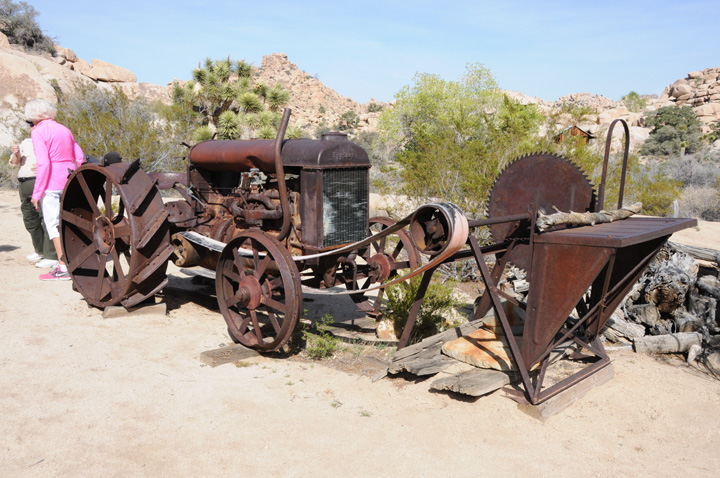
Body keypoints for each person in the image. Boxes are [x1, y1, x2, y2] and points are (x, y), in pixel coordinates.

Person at [25, 98, 85, 281]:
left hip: (51, 181)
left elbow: (43, 163)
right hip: (69, 177)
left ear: (33, 116)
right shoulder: (64, 129)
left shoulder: (38, 132)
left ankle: (63, 266)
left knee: (52, 224)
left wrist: (36, 194)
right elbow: (80, 156)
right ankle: (78, 259)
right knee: (70, 220)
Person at [8, 137, 59, 269]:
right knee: (30, 218)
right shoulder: (26, 142)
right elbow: (14, 162)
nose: (33, 126)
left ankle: (51, 255)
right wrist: (16, 154)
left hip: (40, 180)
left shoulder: (48, 139)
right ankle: (40, 251)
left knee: (46, 217)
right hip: (24, 183)